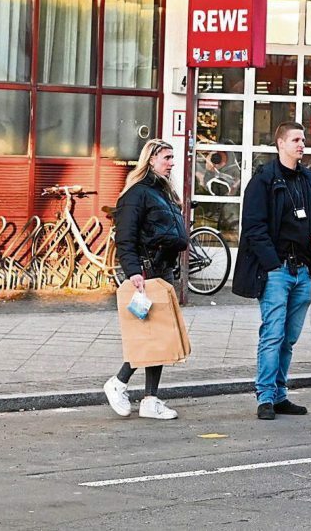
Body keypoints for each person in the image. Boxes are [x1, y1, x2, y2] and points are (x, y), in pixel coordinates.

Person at [232, 122, 311, 420]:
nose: (302, 145)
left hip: (302, 270)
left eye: (303, 140)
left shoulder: (305, 179)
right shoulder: (263, 180)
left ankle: (280, 394)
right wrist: (272, 264)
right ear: (280, 144)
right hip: (277, 270)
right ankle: (265, 396)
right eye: (295, 140)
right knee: (273, 334)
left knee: (289, 337)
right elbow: (253, 227)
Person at [104, 138, 189, 421]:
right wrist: (133, 271)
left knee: (160, 335)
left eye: (172, 157)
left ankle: (150, 399)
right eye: (167, 157)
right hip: (146, 271)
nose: (171, 162)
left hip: (162, 270)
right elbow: (124, 237)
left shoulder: (163, 192)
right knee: (149, 336)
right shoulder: (137, 193)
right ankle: (118, 383)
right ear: (150, 159)